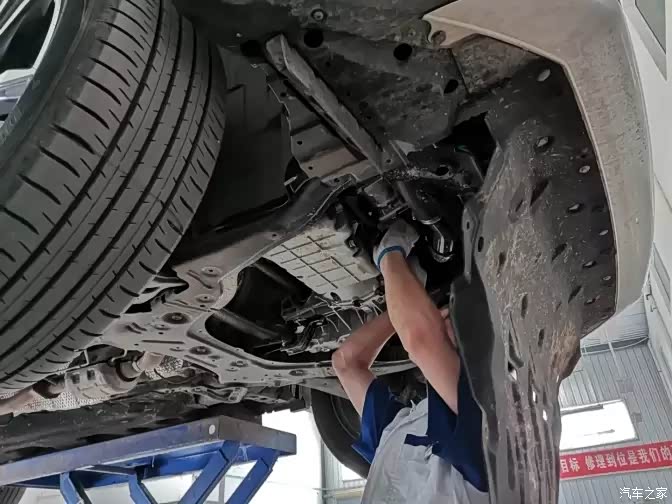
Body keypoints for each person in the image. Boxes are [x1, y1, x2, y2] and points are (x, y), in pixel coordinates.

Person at [331, 220, 489, 504]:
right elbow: (420, 342)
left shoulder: (390, 447)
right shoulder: (485, 446)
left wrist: (403, 284)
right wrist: (398, 276)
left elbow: (346, 362)